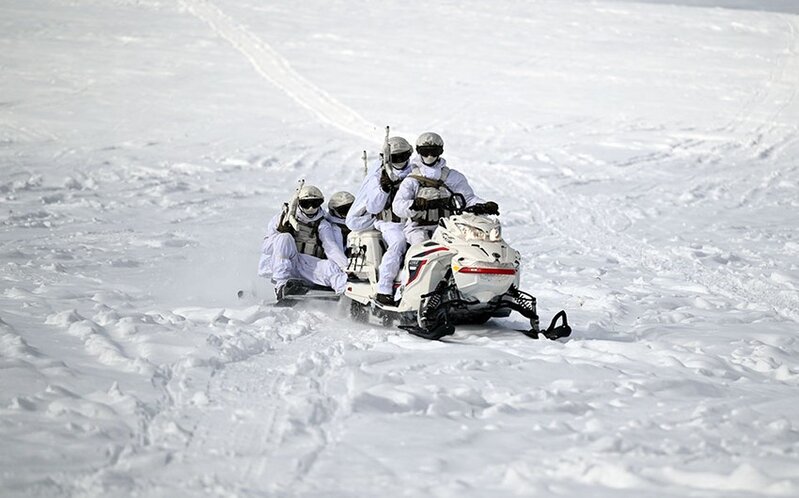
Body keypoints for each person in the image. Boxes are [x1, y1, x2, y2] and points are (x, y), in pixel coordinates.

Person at [393, 132, 499, 245]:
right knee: (423, 250)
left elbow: (468, 199)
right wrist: (414, 205)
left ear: (440, 152)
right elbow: (398, 205)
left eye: (434, 152)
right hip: (419, 228)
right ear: (419, 152)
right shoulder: (412, 180)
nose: (430, 156)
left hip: (449, 226)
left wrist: (484, 206)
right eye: (425, 152)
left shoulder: (452, 177)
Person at [346, 136, 415, 306]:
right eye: (395, 158)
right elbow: (374, 207)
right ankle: (384, 289)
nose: (400, 161)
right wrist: (384, 189)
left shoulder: (415, 171)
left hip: (414, 220)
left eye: (403, 156)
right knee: (398, 242)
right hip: (390, 222)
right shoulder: (378, 176)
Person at [258, 184, 349, 299]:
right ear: (299, 204)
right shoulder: (282, 219)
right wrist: (280, 232)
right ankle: (282, 286)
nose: (311, 208)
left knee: (332, 268)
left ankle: (348, 297)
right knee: (284, 238)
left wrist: (346, 267)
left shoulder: (322, 224)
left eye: (315, 204)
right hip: (283, 264)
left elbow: (331, 248)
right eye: (306, 204)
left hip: (305, 264)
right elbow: (265, 247)